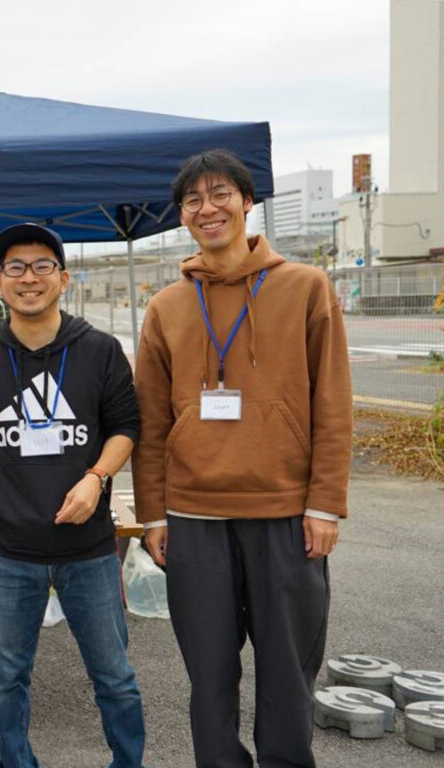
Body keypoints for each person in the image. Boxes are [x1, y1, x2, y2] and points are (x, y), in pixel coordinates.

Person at [133, 149, 352, 768]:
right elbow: (150, 424)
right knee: (209, 675)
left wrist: (325, 503)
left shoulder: (306, 287)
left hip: (285, 512)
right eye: (194, 200)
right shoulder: (166, 307)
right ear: (183, 215)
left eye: (221, 194)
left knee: (287, 672)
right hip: (194, 516)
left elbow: (332, 401)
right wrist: (154, 515)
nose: (209, 208)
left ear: (248, 202)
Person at [0, 222, 146, 768]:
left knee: (115, 674)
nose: (28, 278)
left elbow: (126, 425)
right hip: (11, 547)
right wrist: (11, 453)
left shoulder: (100, 350)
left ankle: (128, 763)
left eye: (41, 266)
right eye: (15, 267)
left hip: (88, 547)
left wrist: (95, 477)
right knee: (6, 675)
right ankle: (17, 762)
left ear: (63, 278)